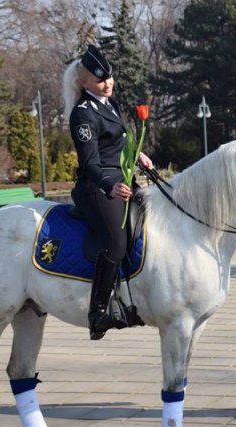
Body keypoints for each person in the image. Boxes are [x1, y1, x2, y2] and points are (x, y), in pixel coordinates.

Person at [62, 44, 153, 341]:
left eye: (110, 77)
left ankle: (130, 295)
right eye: (100, 79)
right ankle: (98, 312)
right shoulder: (83, 114)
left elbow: (119, 144)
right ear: (84, 82)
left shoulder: (108, 104)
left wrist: (138, 155)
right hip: (96, 186)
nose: (108, 83)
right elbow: (90, 163)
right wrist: (108, 186)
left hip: (122, 179)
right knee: (115, 242)